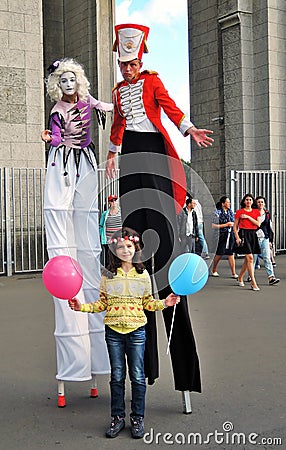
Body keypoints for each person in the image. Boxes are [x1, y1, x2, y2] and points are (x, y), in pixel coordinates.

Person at [106, 23, 213, 403]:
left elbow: (168, 107)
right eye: (123, 66)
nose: (128, 70)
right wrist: (112, 152)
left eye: (132, 64)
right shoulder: (118, 92)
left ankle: (180, 367)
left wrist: (189, 129)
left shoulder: (153, 82)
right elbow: (118, 124)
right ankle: (142, 367)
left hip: (153, 147)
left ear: (141, 60)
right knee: (132, 245)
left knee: (163, 247)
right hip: (131, 152)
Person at [41, 58, 113, 406]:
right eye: (63, 79)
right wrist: (49, 137)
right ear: (58, 83)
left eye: (73, 78)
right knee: (58, 216)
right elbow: (56, 133)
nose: (69, 83)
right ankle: (72, 368)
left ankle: (98, 365)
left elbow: (104, 106)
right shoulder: (57, 110)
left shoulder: (87, 103)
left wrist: (120, 105)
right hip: (61, 162)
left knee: (86, 230)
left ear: (79, 81)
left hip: (83, 161)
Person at [68, 227, 180, 439]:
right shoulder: (108, 276)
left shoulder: (143, 275)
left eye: (129, 246)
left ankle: (137, 417)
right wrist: (80, 306)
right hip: (113, 332)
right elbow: (102, 303)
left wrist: (166, 303)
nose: (125, 250)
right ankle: (117, 417)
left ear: (135, 248)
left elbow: (147, 303)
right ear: (114, 250)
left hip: (137, 331)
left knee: (137, 376)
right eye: (120, 246)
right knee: (117, 376)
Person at [233, 194, 261, 291]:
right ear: (244, 201)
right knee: (250, 257)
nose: (248, 201)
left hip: (253, 234)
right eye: (246, 200)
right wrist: (237, 237)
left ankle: (240, 277)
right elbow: (235, 226)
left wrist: (248, 217)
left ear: (252, 202)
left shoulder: (256, 212)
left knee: (248, 259)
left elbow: (258, 224)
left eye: (250, 200)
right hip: (243, 234)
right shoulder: (239, 212)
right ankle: (253, 282)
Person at [254, 196, 280, 285]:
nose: (260, 204)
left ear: (264, 203)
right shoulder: (253, 213)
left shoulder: (267, 214)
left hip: (264, 237)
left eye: (262, 202)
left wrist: (270, 240)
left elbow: (269, 227)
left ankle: (271, 277)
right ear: (256, 203)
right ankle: (251, 275)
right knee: (253, 258)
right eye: (258, 202)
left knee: (267, 257)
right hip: (254, 237)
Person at [211, 196, 238, 278]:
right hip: (221, 234)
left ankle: (233, 272)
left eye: (229, 202)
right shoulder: (217, 212)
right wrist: (225, 225)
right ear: (223, 203)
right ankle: (214, 269)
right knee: (219, 252)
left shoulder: (230, 212)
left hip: (230, 234)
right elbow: (213, 225)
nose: (229, 204)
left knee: (230, 253)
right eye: (227, 202)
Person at [99, 194, 122, 265]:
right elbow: (101, 226)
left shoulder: (122, 212)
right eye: (111, 201)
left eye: (115, 200)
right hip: (109, 240)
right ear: (109, 202)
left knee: (119, 257)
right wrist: (100, 236)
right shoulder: (105, 214)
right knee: (109, 259)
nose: (114, 202)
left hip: (120, 239)